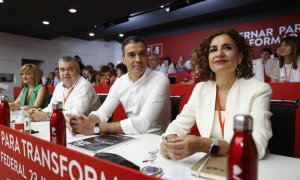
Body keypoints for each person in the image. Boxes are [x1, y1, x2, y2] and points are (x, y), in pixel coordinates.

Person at [160, 29, 272, 160]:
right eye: (213, 50)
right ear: (208, 59)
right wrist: (170, 142)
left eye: (227, 47)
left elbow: (255, 147)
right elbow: (177, 126)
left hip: (247, 165)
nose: (219, 53)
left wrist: (203, 145)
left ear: (240, 57)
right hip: (208, 163)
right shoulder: (200, 89)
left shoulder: (259, 89)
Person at [68, 36, 171, 135]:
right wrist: (83, 122)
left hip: (155, 139)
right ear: (123, 59)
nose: (138, 59)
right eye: (131, 55)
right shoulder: (120, 82)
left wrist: (95, 127)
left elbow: (143, 123)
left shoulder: (160, 79)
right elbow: (103, 112)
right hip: (131, 136)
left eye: (142, 54)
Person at [29, 56, 101, 121]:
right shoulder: (59, 86)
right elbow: (51, 107)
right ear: (59, 72)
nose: (66, 73)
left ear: (78, 71)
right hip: (65, 125)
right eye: (62, 70)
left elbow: (76, 115)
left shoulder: (84, 85)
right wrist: (38, 112)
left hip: (88, 131)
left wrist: (46, 116)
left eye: (70, 69)